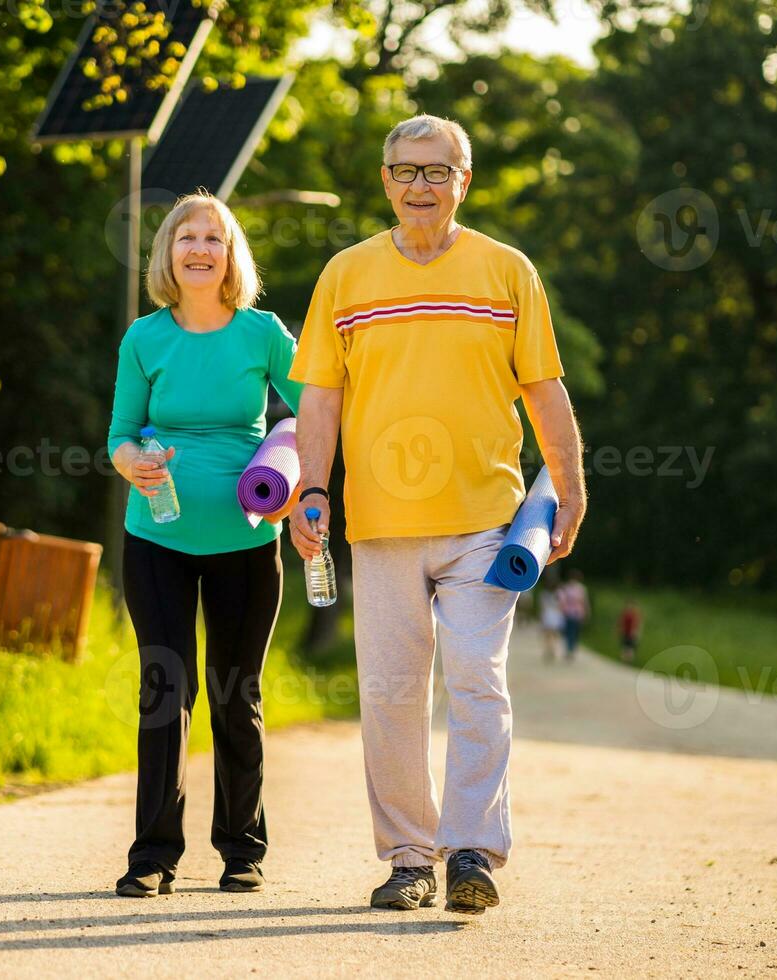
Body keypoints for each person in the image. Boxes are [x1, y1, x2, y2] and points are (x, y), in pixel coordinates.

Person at [289, 114, 586, 915]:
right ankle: (409, 858)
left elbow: (544, 388)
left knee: (477, 680)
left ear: (465, 178)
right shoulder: (346, 275)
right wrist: (308, 490)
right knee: (390, 693)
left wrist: (573, 484)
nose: (421, 186)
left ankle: (472, 854)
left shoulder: (506, 271)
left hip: (486, 520)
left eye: (437, 172)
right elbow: (319, 397)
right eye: (406, 171)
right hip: (377, 523)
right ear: (385, 180)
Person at [107, 192, 304, 898]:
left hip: (248, 542)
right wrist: (131, 460)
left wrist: (304, 490)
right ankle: (153, 854)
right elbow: (120, 433)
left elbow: (318, 411)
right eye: (186, 236)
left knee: (234, 693)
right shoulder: (144, 337)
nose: (198, 248)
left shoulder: (262, 333)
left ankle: (242, 848)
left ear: (231, 255)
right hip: (155, 538)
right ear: (168, 251)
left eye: (213, 238)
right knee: (166, 691)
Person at [558, 569, 590, 659]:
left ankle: (572, 649)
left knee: (575, 632)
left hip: (578, 613)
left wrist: (587, 612)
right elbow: (562, 601)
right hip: (568, 612)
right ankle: (569, 650)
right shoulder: (566, 588)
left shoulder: (581, 589)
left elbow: (584, 601)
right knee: (568, 632)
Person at [539, 582, 565, 662]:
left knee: (547, 635)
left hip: (548, 615)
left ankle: (549, 649)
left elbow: (542, 606)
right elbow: (562, 606)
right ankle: (553, 650)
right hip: (556, 615)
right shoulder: (559, 594)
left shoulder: (544, 595)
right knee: (555, 635)